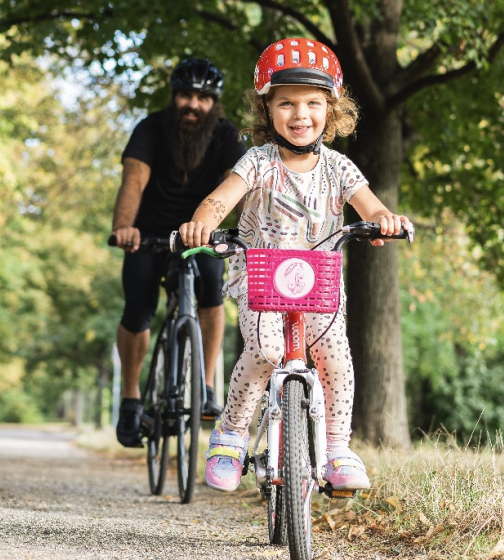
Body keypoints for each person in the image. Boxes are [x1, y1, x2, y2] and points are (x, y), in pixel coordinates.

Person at [178, 38, 411, 492]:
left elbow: (371, 207)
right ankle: (230, 435)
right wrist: (200, 224)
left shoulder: (339, 168)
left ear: (331, 109)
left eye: (312, 103)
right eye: (286, 103)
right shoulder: (259, 162)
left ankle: (338, 448)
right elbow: (218, 200)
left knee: (336, 360)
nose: (300, 114)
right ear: (267, 110)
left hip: (318, 283)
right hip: (261, 279)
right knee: (264, 349)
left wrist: (384, 222)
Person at [111, 58, 249, 448]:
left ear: (214, 103)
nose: (193, 105)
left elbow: (234, 187)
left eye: (203, 98)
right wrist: (124, 227)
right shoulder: (151, 128)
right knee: (137, 308)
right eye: (186, 96)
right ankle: (132, 398)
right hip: (149, 233)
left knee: (211, 289)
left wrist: (247, 232)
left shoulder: (226, 136)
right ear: (174, 98)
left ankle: (205, 386)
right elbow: (133, 180)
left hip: (202, 233)